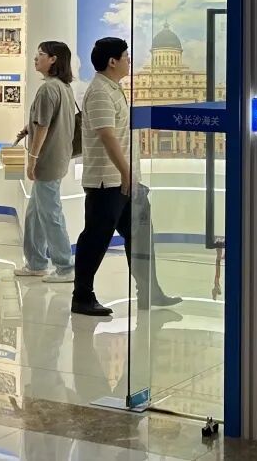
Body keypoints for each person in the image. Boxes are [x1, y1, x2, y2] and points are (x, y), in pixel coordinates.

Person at [71, 37, 181, 317]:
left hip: (126, 181)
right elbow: (107, 136)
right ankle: (82, 296)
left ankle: (150, 291)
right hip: (108, 182)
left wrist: (130, 177)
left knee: (142, 236)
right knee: (96, 238)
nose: (129, 62)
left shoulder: (113, 88)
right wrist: (126, 173)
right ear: (112, 61)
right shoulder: (99, 92)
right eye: (126, 57)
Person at [13, 41, 78, 283]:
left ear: (53, 59)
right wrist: (28, 128)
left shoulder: (48, 89)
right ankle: (36, 262)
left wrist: (32, 160)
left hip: (47, 160)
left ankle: (65, 266)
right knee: (35, 214)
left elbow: (43, 127)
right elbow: (45, 121)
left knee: (51, 214)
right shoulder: (64, 87)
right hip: (58, 157)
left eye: (40, 54)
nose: (35, 58)